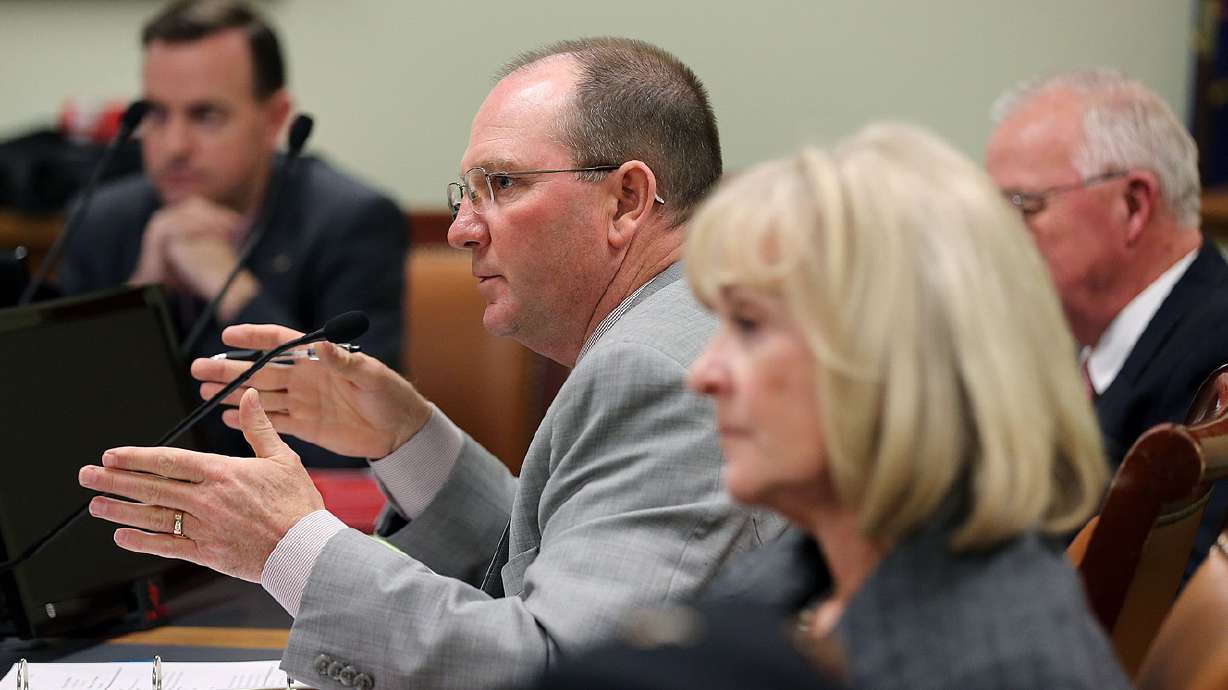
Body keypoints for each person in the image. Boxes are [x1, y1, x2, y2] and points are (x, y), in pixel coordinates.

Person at [77, 38, 782, 690]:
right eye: (465, 191)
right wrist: (409, 439)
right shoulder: (683, 323)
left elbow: (561, 671)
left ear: (626, 199)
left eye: (501, 184)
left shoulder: (655, 369)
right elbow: (569, 569)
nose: (459, 229)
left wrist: (288, 543)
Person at [535, 125, 1131, 689]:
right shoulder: (825, 568)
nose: (704, 374)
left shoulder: (993, 662)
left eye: (748, 325)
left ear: (891, 363)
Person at [58, 0, 407, 467]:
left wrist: (234, 290)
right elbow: (65, 432)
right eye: (157, 116)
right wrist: (140, 297)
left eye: (206, 116)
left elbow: (349, 451)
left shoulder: (352, 224)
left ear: (274, 118)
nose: (175, 146)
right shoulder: (101, 221)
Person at [985, 68, 1228, 576]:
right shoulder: (1075, 345)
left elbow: (1138, 604)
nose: (997, 241)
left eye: (1023, 207)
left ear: (1133, 205)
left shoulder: (1214, 354)